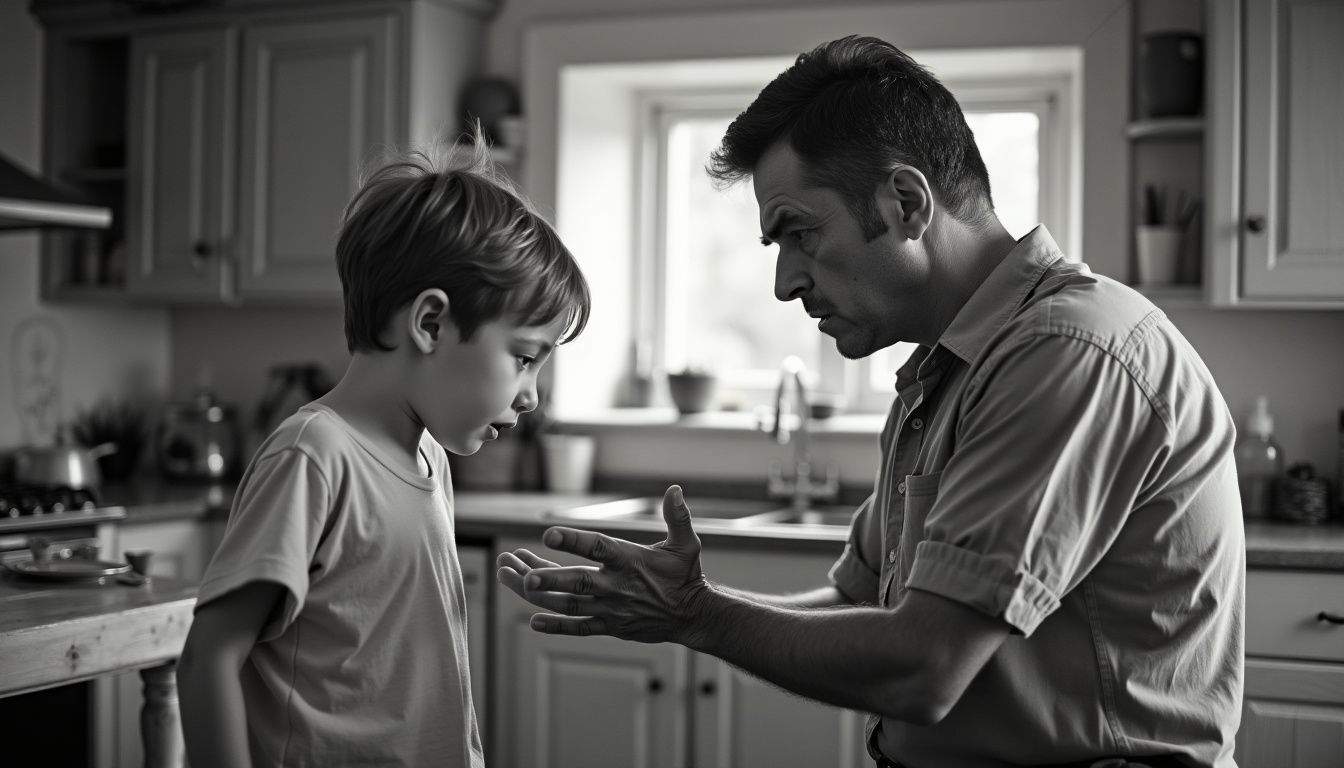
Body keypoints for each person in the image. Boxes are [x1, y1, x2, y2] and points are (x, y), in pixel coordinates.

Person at [498, 36, 1242, 768]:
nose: (785, 283)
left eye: (798, 233)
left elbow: (924, 665)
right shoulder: (945, 372)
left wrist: (697, 616)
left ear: (906, 202)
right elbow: (861, 615)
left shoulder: (1067, 352)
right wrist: (690, 605)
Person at [178, 137, 591, 767]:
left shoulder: (432, 462)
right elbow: (211, 655)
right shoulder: (315, 455)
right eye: (526, 359)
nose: (533, 396)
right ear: (430, 324)